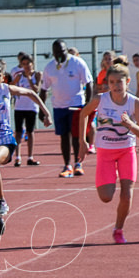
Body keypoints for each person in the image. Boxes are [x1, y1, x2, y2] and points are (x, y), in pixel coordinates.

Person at [0, 61, 51, 236]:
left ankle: (1, 202)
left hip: (4, 139)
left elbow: (31, 93)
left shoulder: (7, 90)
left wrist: (46, 112)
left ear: (3, 77)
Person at [78, 64, 139, 244]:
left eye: (119, 82)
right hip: (105, 153)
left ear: (128, 82)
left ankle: (118, 229)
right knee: (106, 197)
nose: (116, 85)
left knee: (127, 195)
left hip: (127, 151)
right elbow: (83, 114)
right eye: (111, 82)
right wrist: (83, 141)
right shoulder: (100, 100)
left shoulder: (135, 103)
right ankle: (112, 174)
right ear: (107, 83)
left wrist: (131, 125)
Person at [41, 39, 93, 177]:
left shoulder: (77, 63)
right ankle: (67, 165)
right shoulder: (49, 67)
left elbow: (89, 83)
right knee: (64, 136)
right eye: (56, 52)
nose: (59, 54)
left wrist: (88, 103)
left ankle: (78, 164)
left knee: (76, 136)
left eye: (62, 51)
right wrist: (42, 110)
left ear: (66, 50)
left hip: (76, 105)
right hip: (59, 106)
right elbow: (43, 89)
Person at [11, 54, 42, 167]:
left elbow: (36, 89)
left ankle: (30, 157)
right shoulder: (19, 76)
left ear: (32, 63)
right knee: (18, 132)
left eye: (28, 64)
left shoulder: (37, 74)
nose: (26, 66)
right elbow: (11, 87)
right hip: (20, 107)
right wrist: (15, 81)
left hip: (31, 107)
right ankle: (17, 157)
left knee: (30, 131)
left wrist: (29, 79)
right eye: (23, 64)